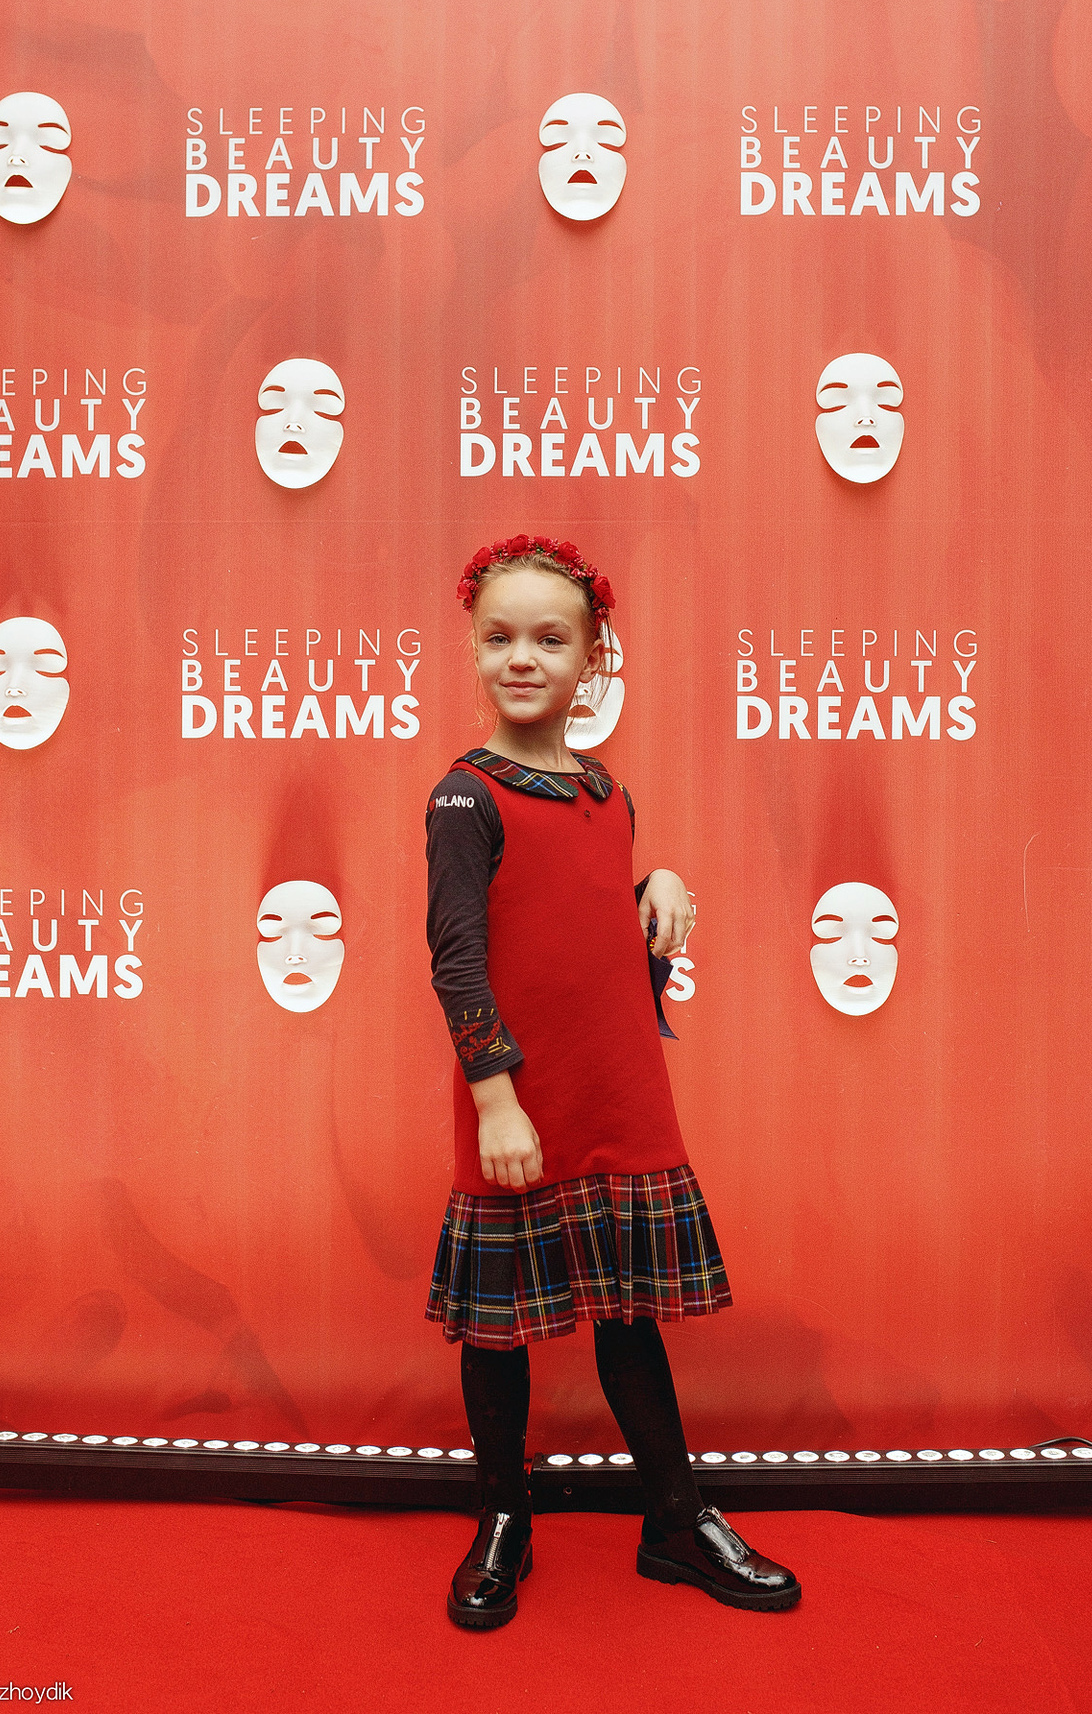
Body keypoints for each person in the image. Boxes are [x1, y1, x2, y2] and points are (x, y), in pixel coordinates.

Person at [423, 534, 801, 1628]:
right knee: (497, 1326)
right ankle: (503, 1518)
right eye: (499, 637)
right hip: (518, 1103)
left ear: (593, 658)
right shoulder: (463, 799)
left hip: (616, 1093)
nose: (522, 658)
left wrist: (659, 877)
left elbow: (584, 922)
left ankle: (674, 1520)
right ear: (472, 649)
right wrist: (495, 1099)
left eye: (550, 639)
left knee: (628, 1315)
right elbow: (458, 959)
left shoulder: (606, 791)